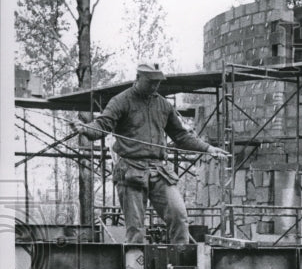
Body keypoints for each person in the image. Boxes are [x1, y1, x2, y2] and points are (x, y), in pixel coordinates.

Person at [73, 61, 229, 243]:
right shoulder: (120, 101)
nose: (155, 86)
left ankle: (178, 265)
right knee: (136, 230)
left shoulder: (164, 105)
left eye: (158, 83)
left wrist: (208, 148)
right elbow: (102, 125)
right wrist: (85, 129)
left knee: (179, 216)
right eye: (150, 82)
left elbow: (181, 137)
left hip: (159, 171)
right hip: (130, 171)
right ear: (138, 78)